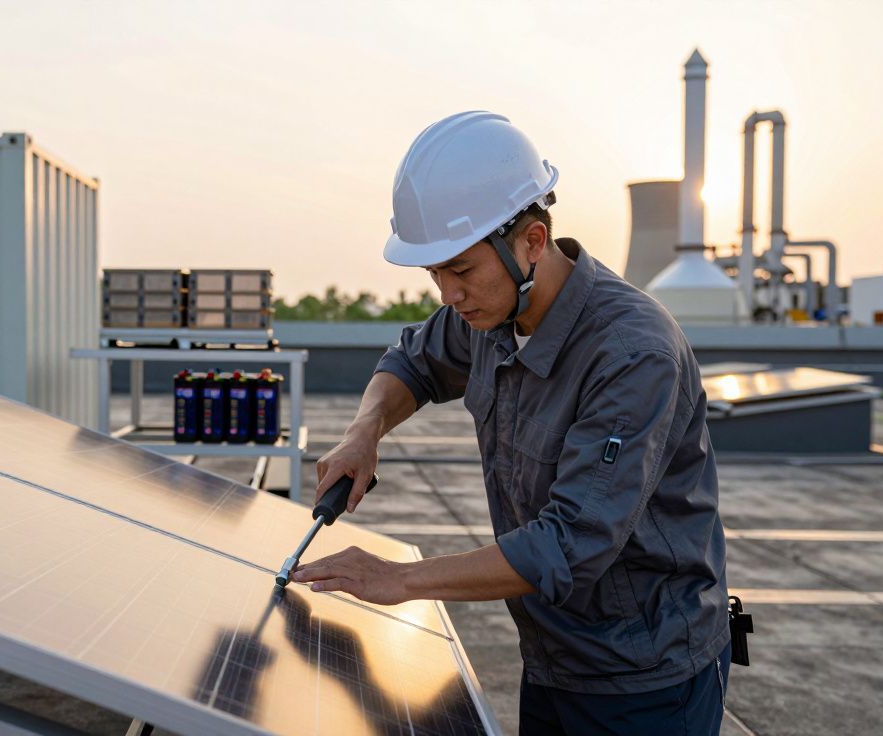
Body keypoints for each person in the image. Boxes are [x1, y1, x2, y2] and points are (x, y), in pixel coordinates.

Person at [291, 111, 731, 735]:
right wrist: (363, 433)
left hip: (646, 681)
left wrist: (397, 579)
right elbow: (413, 360)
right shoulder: (492, 318)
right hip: (553, 660)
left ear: (531, 239)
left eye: (462, 270)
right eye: (434, 273)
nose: (448, 294)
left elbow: (568, 546)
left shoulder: (632, 354)